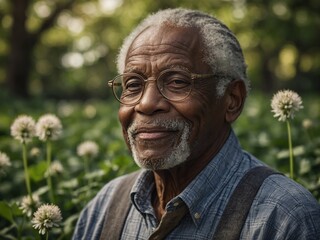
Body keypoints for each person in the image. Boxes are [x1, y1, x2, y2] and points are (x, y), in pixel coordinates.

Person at [73, 8, 320, 239]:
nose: (146, 104)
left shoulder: (284, 219)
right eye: (133, 85)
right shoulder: (105, 208)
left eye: (177, 82)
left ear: (232, 100)